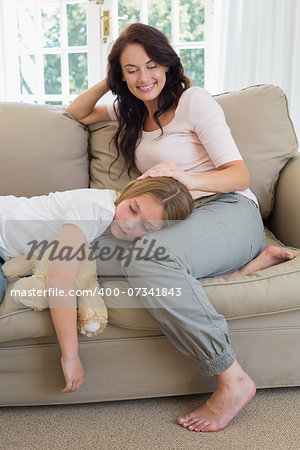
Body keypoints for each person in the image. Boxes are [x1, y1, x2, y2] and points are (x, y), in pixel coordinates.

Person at [66, 23, 295, 432]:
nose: (144, 78)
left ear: (168, 65)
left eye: (151, 66)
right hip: (179, 224)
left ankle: (232, 378)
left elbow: (239, 175)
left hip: (227, 209)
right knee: (88, 253)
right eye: (132, 70)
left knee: (148, 261)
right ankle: (239, 271)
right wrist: (114, 76)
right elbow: (77, 113)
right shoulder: (131, 109)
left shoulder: (195, 101)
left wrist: (189, 180)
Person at [0, 176, 194, 387]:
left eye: (145, 226)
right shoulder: (96, 209)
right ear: (130, 191)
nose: (129, 224)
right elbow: (59, 279)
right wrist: (70, 355)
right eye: (133, 209)